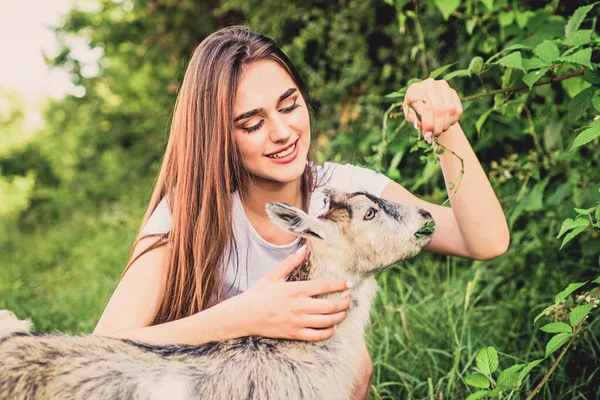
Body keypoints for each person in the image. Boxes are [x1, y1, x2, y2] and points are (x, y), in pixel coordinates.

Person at [93, 25, 510, 399]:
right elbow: (102, 349)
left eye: (289, 106)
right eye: (252, 124)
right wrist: (243, 317)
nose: (281, 132)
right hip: (202, 386)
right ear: (220, 137)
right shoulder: (194, 212)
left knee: (356, 367)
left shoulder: (342, 193)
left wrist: (444, 129)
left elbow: (485, 240)